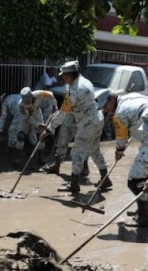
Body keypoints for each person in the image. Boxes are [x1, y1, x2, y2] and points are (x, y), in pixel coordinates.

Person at [44, 60, 109, 196]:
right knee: (95, 150)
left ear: (68, 75)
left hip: (87, 124)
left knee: (76, 153)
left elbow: (63, 113)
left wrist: (49, 129)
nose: (62, 78)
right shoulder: (83, 81)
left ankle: (74, 185)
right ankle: (105, 178)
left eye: (63, 75)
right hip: (96, 119)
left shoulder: (75, 90)